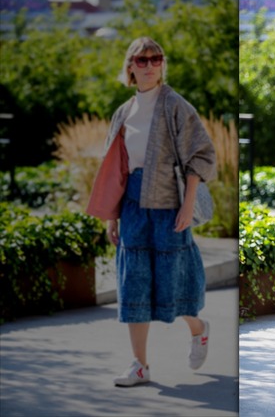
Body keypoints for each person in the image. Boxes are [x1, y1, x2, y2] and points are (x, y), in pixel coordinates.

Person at [87, 37, 216, 387]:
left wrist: (188, 204)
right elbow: (116, 170)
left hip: (168, 206)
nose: (148, 65)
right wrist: (112, 216)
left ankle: (199, 328)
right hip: (131, 206)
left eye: (154, 59)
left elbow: (201, 156)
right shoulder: (123, 113)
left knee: (171, 285)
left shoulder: (175, 105)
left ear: (162, 64)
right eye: (140, 60)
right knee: (133, 286)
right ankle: (140, 365)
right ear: (129, 67)